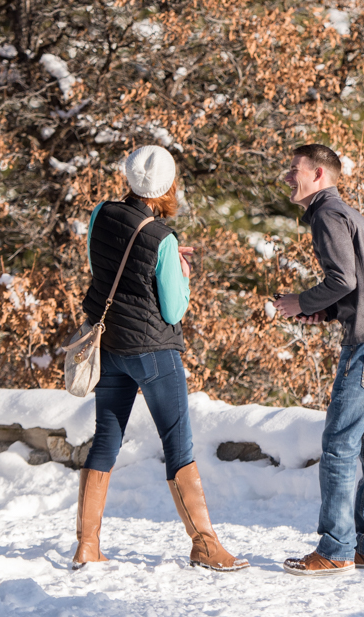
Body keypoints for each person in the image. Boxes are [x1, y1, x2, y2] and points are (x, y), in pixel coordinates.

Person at [73, 145, 247, 572]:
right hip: (153, 353)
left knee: (105, 442)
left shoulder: (101, 213)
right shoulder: (163, 238)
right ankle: (204, 544)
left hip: (109, 347)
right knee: (178, 445)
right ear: (168, 186)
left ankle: (87, 545)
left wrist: (161, 261)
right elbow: (173, 310)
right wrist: (180, 274)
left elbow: (107, 265)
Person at [275, 143, 364, 576]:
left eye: (294, 169)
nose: (287, 177)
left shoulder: (327, 214)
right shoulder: (349, 214)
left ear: (319, 174)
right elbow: (356, 288)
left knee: (339, 446)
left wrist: (301, 301)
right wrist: (328, 309)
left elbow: (342, 279)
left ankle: (335, 548)